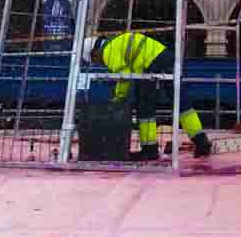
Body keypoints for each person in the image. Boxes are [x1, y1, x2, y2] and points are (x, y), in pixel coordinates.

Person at [90, 32, 212, 160]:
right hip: (165, 58)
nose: (99, 63)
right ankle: (201, 142)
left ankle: (149, 150)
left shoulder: (108, 51)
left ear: (95, 52)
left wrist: (119, 96)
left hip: (150, 64)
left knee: (145, 108)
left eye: (94, 60)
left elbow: (124, 75)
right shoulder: (116, 42)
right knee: (181, 103)